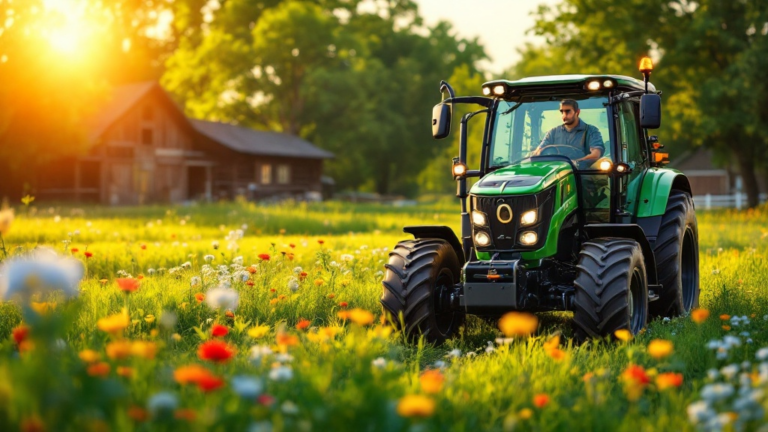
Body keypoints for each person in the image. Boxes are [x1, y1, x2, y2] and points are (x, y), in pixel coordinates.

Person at [533, 99, 604, 166]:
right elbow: (539, 151)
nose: (564, 116)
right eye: (562, 112)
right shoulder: (552, 133)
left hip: (582, 172)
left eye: (567, 111)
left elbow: (596, 154)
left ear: (577, 112)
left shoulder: (591, 131)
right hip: (556, 172)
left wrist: (574, 163)